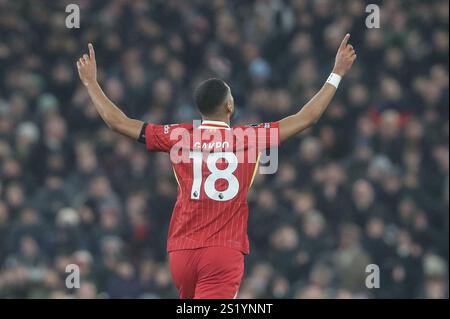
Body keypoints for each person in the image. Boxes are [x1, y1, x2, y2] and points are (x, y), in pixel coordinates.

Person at [76, 33, 356, 299]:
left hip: (181, 252)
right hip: (222, 252)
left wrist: (91, 83)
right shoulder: (249, 137)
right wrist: (337, 73)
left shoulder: (180, 135)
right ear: (230, 105)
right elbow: (307, 117)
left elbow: (119, 123)